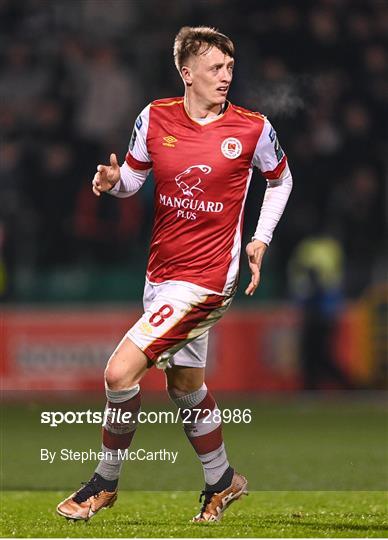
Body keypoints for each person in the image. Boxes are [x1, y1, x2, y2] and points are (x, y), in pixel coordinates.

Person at [57, 26, 292, 523]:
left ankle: (103, 482)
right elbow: (134, 180)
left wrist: (260, 238)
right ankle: (222, 481)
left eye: (230, 67)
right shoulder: (153, 116)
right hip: (162, 273)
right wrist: (113, 182)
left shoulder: (252, 128)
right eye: (215, 68)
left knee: (119, 372)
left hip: (208, 279)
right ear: (187, 73)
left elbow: (281, 178)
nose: (226, 77)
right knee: (185, 386)